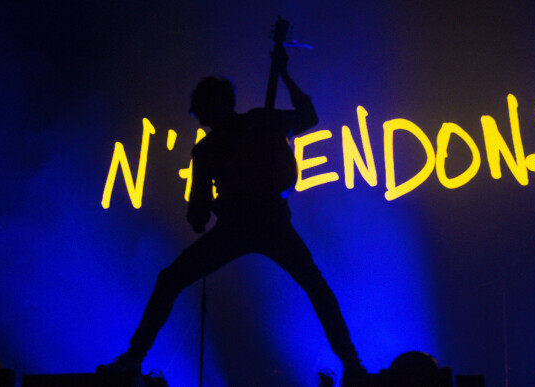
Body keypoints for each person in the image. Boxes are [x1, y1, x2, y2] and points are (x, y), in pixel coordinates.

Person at [98, 53, 367, 386]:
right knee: (317, 287)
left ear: (215, 105)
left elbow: (197, 210)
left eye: (200, 108)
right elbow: (308, 116)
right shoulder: (245, 129)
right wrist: (284, 74)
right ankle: (352, 363)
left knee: (171, 280)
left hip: (248, 225)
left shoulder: (227, 138)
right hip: (263, 223)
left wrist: (202, 213)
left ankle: (133, 358)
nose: (197, 116)